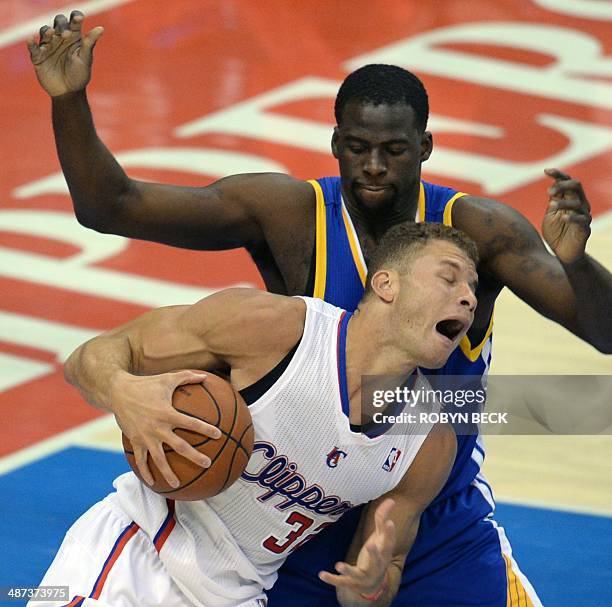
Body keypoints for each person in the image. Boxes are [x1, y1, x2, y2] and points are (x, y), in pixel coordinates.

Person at [27, 11, 612, 607]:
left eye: (394, 150)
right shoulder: (286, 215)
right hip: (295, 521)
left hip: (429, 508)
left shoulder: (478, 233)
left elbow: (604, 333)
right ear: (334, 143)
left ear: (426, 147)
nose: (375, 167)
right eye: (358, 149)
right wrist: (69, 102)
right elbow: (114, 206)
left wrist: (577, 265)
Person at [37, 222, 476, 607]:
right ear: (386, 285)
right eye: (449, 279)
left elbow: (369, 583)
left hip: (241, 595)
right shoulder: (276, 330)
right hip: (137, 554)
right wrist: (122, 390)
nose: (468, 299)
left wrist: (373, 581)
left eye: (473, 288)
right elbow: (94, 356)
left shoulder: (430, 443)